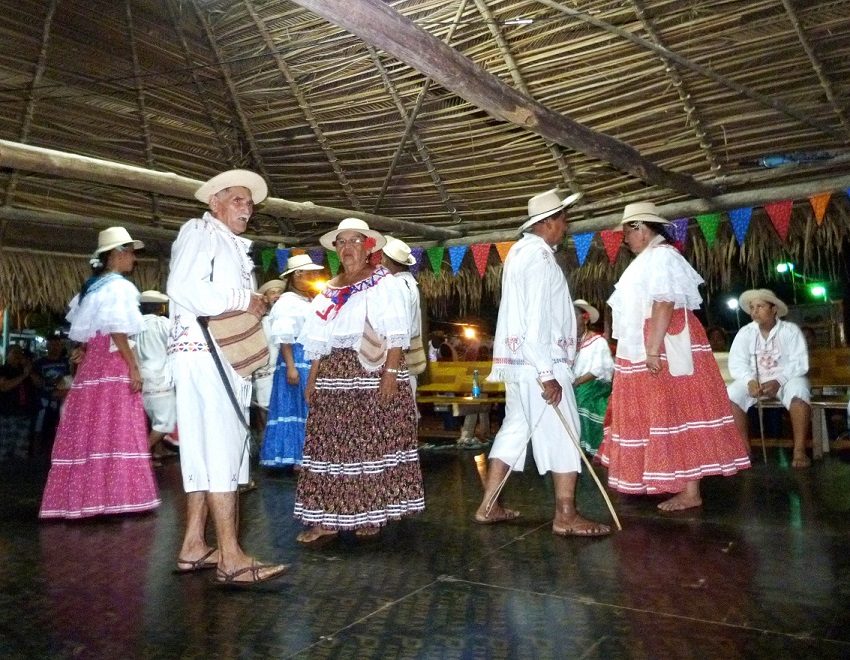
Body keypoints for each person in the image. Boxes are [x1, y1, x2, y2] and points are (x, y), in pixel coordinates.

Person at [167, 169, 287, 586]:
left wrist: (247, 304)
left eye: (250, 203)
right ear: (215, 202)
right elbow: (183, 286)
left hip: (215, 354)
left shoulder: (228, 244)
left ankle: (193, 546)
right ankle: (231, 558)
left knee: (207, 449)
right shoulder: (200, 232)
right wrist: (246, 300)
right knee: (221, 447)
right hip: (208, 354)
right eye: (238, 200)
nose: (247, 209)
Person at [597, 202, 750, 511]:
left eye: (627, 230)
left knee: (677, 411)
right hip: (650, 342)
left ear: (641, 228)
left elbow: (664, 302)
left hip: (664, 343)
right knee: (665, 413)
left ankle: (691, 491)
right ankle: (678, 482)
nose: (624, 238)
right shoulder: (648, 258)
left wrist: (653, 349)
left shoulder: (663, 257)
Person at [475, 188, 610, 537]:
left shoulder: (521, 254)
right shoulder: (537, 258)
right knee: (565, 434)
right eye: (563, 219)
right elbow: (534, 320)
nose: (565, 225)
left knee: (516, 429)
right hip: (539, 363)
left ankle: (488, 505)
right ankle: (566, 515)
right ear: (548, 223)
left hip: (522, 366)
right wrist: (547, 374)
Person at [294, 217, 424, 546]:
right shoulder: (328, 289)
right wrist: (313, 377)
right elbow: (319, 338)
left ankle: (371, 513)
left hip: (371, 371)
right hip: (333, 375)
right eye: (342, 242)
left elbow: (397, 334)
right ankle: (327, 519)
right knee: (329, 446)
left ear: (368, 247)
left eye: (355, 241)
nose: (348, 247)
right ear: (335, 249)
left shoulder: (384, 283)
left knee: (369, 444)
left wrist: (391, 375)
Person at [39, 227, 160, 519]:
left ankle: (87, 500)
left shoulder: (92, 287)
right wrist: (133, 365)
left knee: (92, 427)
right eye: (130, 252)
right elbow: (116, 329)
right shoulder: (118, 287)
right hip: (112, 362)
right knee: (118, 424)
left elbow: (87, 332)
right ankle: (115, 498)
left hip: (93, 365)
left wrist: (82, 351)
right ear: (117, 254)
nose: (133, 258)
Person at [727, 289, 812, 468]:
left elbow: (799, 361)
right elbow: (737, 362)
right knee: (731, 394)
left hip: (787, 379)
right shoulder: (745, 332)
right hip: (755, 380)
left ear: (774, 309)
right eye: (752, 307)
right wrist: (750, 380)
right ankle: (744, 451)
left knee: (799, 391)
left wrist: (779, 380)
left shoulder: (790, 330)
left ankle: (799, 451)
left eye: (760, 306)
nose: (754, 311)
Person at [261, 255, 323, 469]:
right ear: (297, 275)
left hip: (309, 357)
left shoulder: (307, 300)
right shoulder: (287, 302)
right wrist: (291, 367)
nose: (314, 277)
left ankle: (307, 455)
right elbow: (285, 337)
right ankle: (298, 458)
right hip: (296, 358)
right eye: (310, 273)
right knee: (298, 405)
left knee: (307, 406)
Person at [135, 290, 177, 465]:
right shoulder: (163, 324)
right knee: (165, 423)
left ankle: (157, 452)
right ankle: (140, 455)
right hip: (161, 377)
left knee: (154, 418)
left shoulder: (134, 325)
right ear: (160, 307)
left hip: (143, 378)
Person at [381, 236, 425, 394]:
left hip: (399, 355)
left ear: (386, 261)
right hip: (404, 353)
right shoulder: (409, 282)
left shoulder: (398, 285)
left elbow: (401, 326)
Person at [572, 299, 613, 455]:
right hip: (576, 384)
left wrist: (576, 382)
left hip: (594, 385)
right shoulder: (567, 343)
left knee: (581, 399)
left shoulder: (598, 342)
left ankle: (585, 446)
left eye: (575, 316)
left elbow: (599, 370)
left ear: (585, 318)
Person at [252, 279, 286, 436]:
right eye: (272, 292)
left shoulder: (286, 316)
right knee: (264, 408)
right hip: (265, 371)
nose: (277, 295)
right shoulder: (259, 320)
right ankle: (265, 443)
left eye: (279, 292)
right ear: (265, 298)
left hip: (284, 371)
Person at [31, 335, 71, 457]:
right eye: (52, 344)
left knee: (61, 429)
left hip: (62, 400)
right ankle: (36, 456)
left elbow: (71, 379)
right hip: (44, 401)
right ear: (47, 346)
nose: (55, 347)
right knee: (39, 429)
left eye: (58, 344)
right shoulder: (39, 363)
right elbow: (36, 382)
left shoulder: (67, 362)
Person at [0, 345, 36, 461]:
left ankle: (18, 472)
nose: (18, 355)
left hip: (24, 413)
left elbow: (40, 384)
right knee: (4, 447)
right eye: (14, 352)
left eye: (19, 353)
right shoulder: (3, 369)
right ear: (7, 355)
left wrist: (29, 372)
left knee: (21, 449)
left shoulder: (26, 370)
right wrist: (24, 375)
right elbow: (4, 386)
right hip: (7, 414)